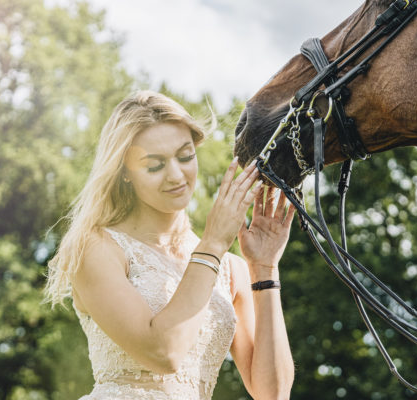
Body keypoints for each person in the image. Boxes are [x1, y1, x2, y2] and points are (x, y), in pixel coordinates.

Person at [44, 90, 295, 400]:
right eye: (154, 165)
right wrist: (214, 242)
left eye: (185, 155)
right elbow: (163, 353)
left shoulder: (230, 269)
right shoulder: (96, 247)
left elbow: (273, 394)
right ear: (124, 173)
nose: (176, 175)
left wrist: (265, 269)